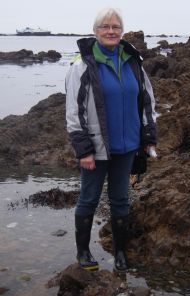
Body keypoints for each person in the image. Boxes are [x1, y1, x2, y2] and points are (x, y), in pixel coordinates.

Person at [65, 7, 157, 271]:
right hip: (96, 147)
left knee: (120, 199)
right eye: (105, 27)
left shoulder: (133, 61)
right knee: (89, 198)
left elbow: (147, 100)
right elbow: (74, 112)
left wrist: (149, 135)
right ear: (95, 32)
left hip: (127, 146)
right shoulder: (81, 65)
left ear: (122, 31)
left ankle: (120, 253)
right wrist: (83, 150)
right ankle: (83, 253)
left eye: (115, 27)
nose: (110, 31)